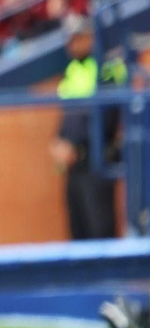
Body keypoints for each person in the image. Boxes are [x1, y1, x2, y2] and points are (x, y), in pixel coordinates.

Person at [49, 14, 125, 241]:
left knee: (100, 232)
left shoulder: (106, 68)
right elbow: (68, 115)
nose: (71, 43)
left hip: (96, 162)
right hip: (73, 168)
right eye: (69, 38)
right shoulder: (72, 69)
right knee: (78, 231)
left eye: (77, 37)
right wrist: (58, 141)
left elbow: (106, 119)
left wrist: (76, 147)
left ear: (91, 36)